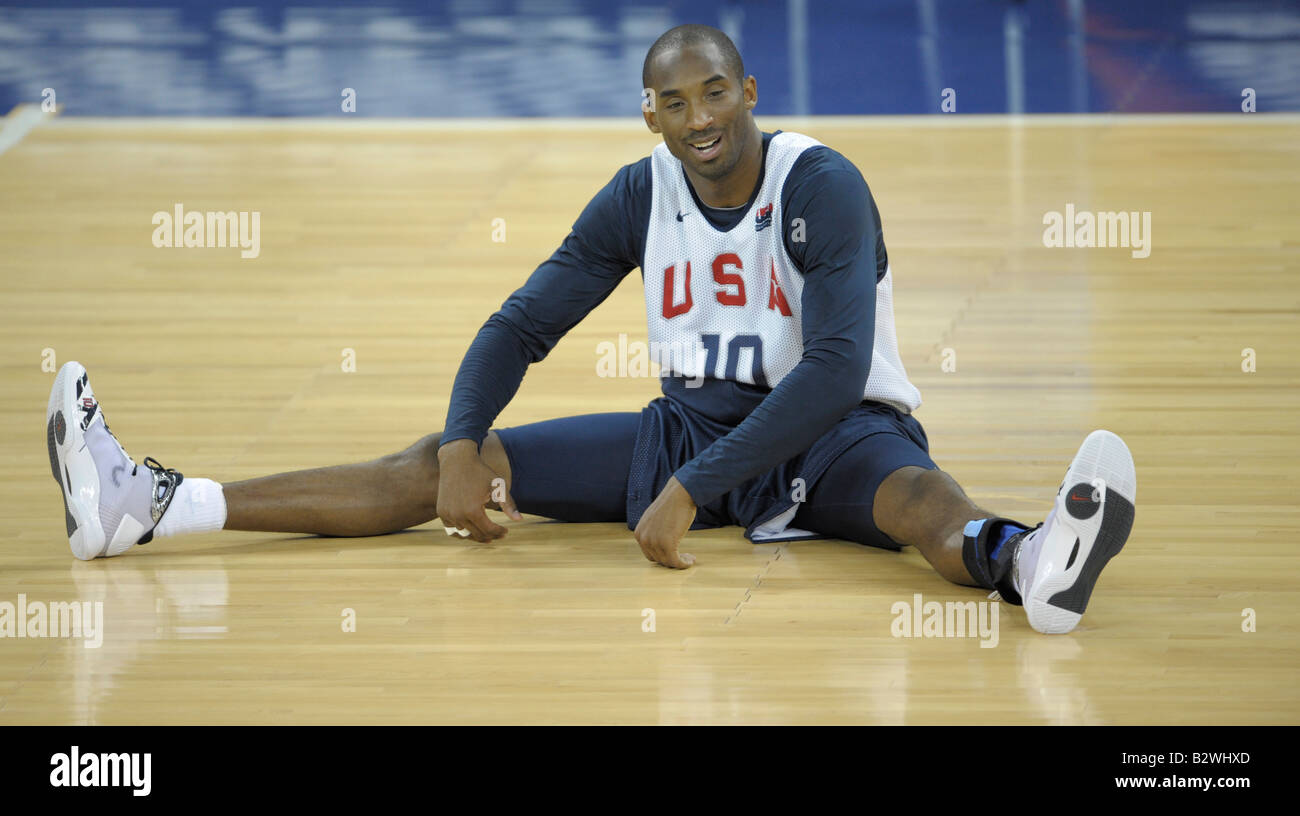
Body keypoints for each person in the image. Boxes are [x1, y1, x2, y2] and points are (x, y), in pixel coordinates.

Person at [45, 24, 1135, 635]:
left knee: (915, 501)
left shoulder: (822, 185)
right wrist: (468, 442)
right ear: (649, 114)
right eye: (676, 103)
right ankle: (148, 507)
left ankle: (1028, 561)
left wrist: (694, 488)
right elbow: (519, 325)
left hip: (835, 428)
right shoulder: (638, 194)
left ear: (749, 90)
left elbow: (841, 363)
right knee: (428, 465)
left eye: (717, 94)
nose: (701, 118)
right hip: (686, 435)